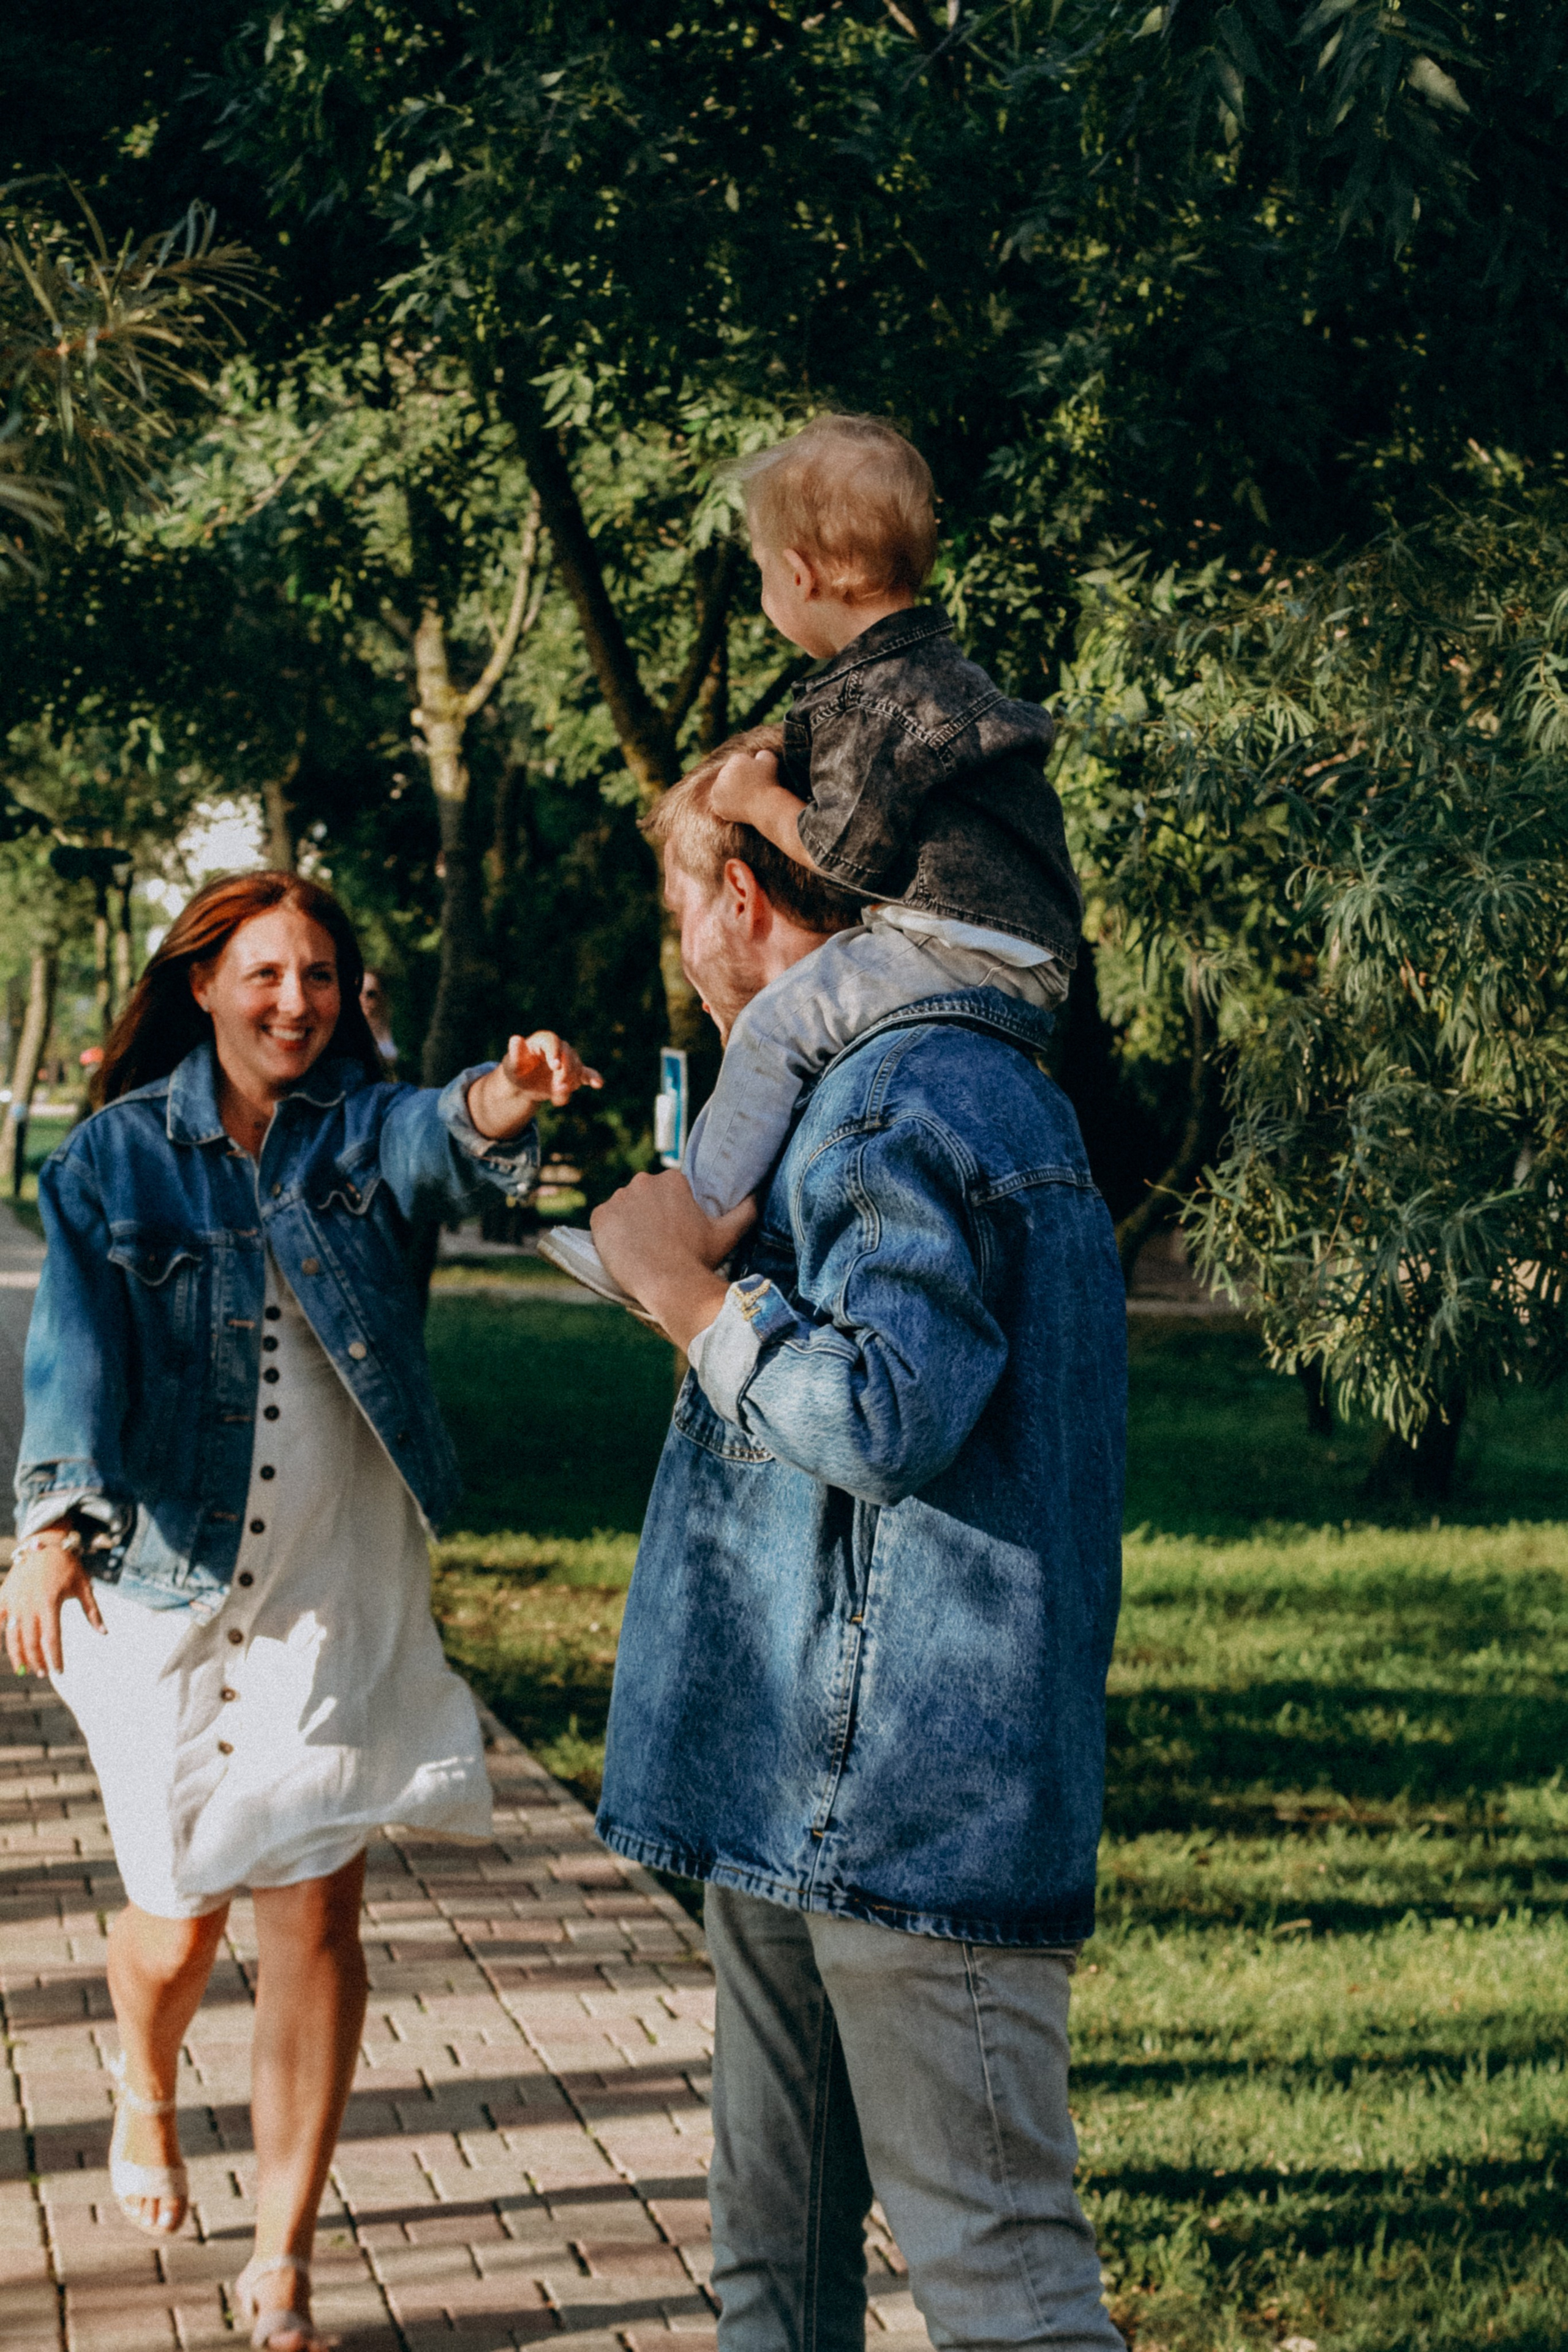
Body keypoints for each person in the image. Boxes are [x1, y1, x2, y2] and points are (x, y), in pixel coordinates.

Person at [4, 870, 598, 2352]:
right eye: (266, 973)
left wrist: (507, 1094)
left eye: (321, 975)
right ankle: (144, 2079)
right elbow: (71, 1352)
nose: (295, 1001)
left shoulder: (358, 1129)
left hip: (337, 1567)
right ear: (202, 983)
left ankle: (281, 2262)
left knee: (318, 1901)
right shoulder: (114, 1158)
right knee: (177, 1917)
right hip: (162, 1573)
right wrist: (50, 1527)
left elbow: (440, 1137)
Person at [588, 770, 1128, 2351]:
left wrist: (688, 1300)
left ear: (740, 898)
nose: (682, 944)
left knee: (1003, 2288)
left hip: (908, 1802)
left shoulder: (903, 1093)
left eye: (679, 906)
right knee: (775, 2261)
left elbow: (885, 1415)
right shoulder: (882, 1087)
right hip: (802, 1784)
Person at [680, 410, 1081, 1220]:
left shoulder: (871, 700)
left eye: (760, 571)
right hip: (1017, 937)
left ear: (798, 575)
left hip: (961, 940)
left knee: (774, 1027)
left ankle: (693, 1221)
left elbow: (841, 856)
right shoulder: (936, 672)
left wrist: (753, 800)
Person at [359, 966, 399, 1069]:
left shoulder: (397, 1027)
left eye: (371, 994)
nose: (363, 999)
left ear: (383, 997)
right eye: (358, 992)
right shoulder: (343, 1030)